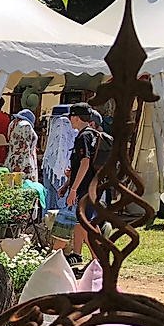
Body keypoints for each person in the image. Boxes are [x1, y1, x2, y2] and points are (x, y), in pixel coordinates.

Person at [52, 103, 98, 264]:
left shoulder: (83, 137)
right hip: (90, 187)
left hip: (83, 189)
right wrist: (67, 185)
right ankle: (96, 258)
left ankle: (52, 256)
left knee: (75, 222)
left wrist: (73, 189)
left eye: (71, 117)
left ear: (76, 117)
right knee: (84, 224)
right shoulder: (93, 134)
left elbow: (85, 163)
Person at [5, 109, 39, 182]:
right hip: (23, 162)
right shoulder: (25, 125)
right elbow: (25, 146)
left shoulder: (12, 123)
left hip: (11, 159)